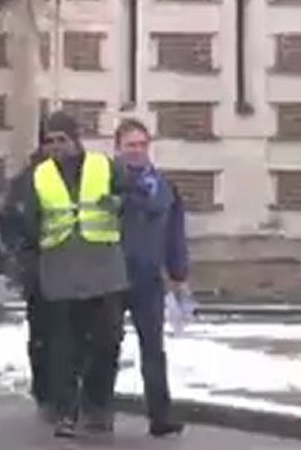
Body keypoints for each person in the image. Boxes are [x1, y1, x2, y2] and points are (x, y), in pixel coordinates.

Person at [13, 111, 130, 439]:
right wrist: (28, 264)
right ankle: (67, 410)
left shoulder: (104, 166)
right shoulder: (37, 176)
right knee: (63, 348)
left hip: (103, 269)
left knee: (106, 343)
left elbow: (131, 198)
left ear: (76, 140)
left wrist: (118, 202)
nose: (55, 147)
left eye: (61, 140)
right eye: (49, 141)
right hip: (60, 270)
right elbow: (24, 222)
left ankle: (99, 406)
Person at [114, 118, 187, 438]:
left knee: (153, 350)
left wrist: (178, 272)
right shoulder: (106, 182)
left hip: (148, 277)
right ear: (117, 148)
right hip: (111, 276)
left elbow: (174, 233)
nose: (138, 151)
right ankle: (96, 411)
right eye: (131, 145)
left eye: (143, 145)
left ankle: (161, 415)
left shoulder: (162, 186)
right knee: (104, 349)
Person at [0, 118, 54, 421]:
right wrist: (20, 255)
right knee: (42, 332)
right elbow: (8, 219)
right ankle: (45, 391)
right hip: (39, 269)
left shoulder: (83, 174)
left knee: (75, 333)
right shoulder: (26, 180)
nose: (56, 147)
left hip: (75, 268)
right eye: (50, 141)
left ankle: (68, 390)